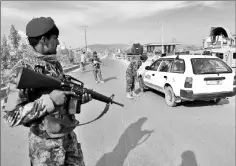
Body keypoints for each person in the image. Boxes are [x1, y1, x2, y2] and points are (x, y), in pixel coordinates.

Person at [2, 17, 93, 166]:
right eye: (55, 39)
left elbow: (62, 96)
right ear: (44, 40)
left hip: (68, 136)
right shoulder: (22, 71)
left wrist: (77, 98)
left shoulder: (55, 64)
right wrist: (48, 101)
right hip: (45, 148)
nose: (58, 42)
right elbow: (10, 117)